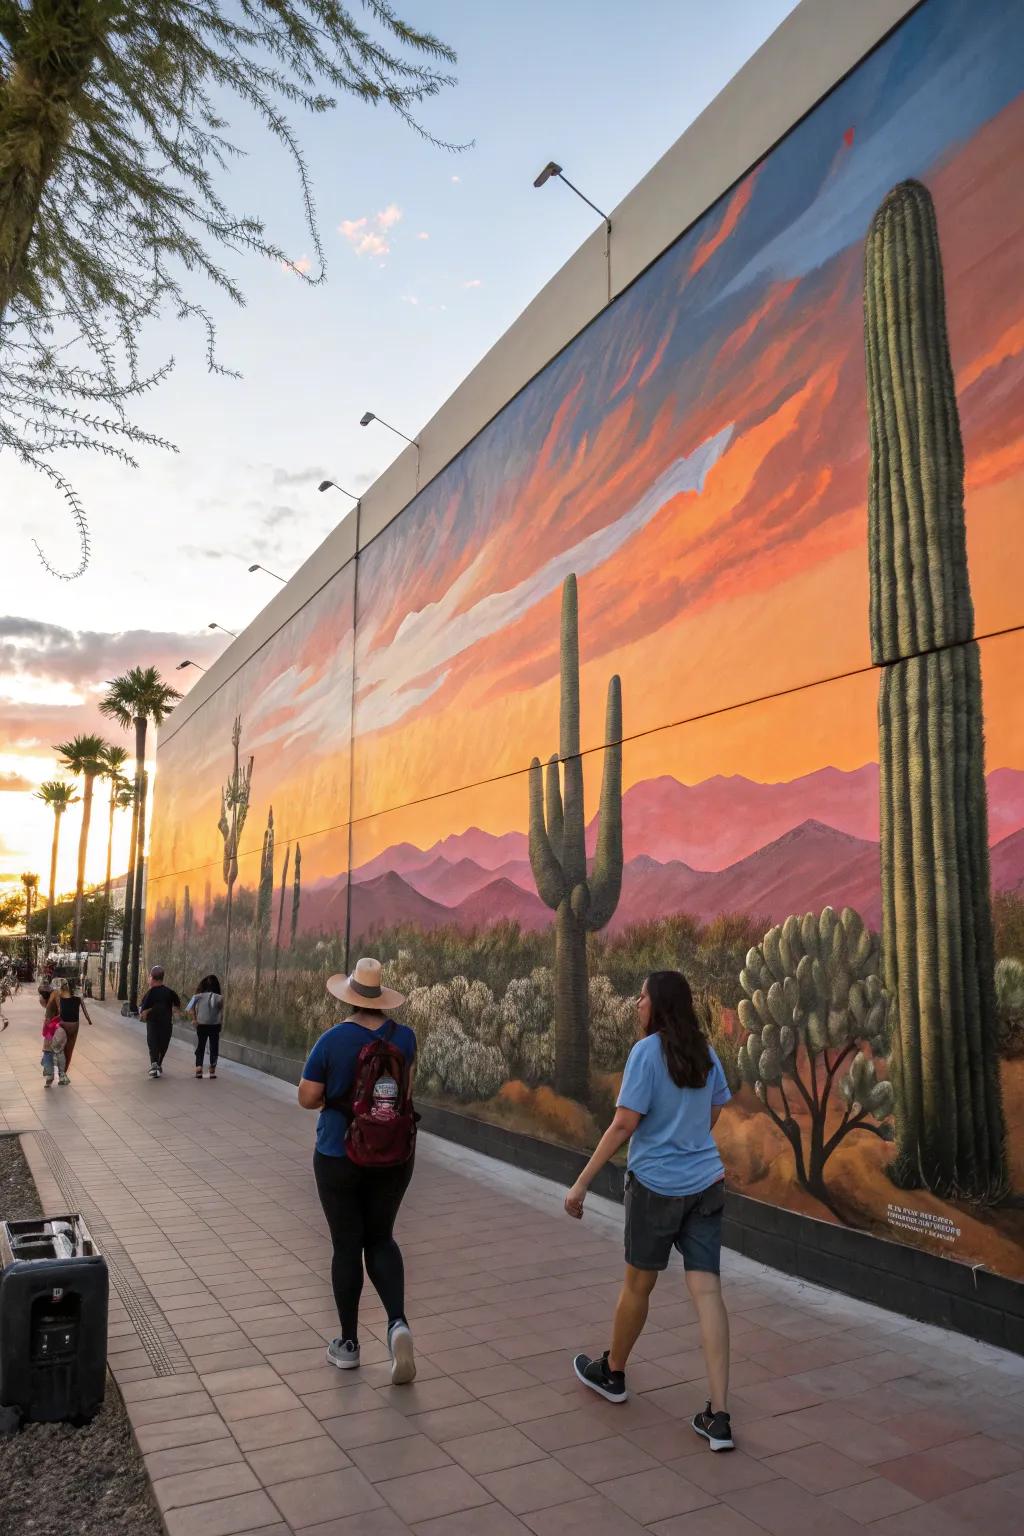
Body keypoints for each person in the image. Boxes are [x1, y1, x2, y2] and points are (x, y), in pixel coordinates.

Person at [565, 970, 735, 1452]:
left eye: (641, 997)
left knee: (638, 1286)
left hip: (655, 1188)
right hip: (706, 1186)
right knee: (708, 1294)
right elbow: (714, 1110)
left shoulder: (645, 1053)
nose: (636, 1003)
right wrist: (688, 1140)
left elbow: (623, 1124)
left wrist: (580, 1183)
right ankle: (719, 1417)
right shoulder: (705, 1053)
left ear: (657, 1004)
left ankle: (613, 1373)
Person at [297, 957, 418, 1386]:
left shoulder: (332, 1040)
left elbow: (306, 1097)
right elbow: (405, 1093)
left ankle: (348, 1345)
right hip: (394, 1156)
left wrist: (336, 1100)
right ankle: (398, 1324)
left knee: (347, 1245)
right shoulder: (405, 1037)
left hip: (338, 1153)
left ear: (349, 996)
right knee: (381, 1238)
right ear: (381, 997)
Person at [139, 965, 181, 1079]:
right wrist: (174, 1011)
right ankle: (157, 1065)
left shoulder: (150, 993)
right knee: (163, 1045)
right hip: (166, 1024)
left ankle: (155, 1065)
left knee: (153, 1043)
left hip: (153, 1023)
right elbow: (177, 1004)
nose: (148, 979)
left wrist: (146, 1012)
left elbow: (142, 1010)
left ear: (152, 978)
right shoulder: (170, 992)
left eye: (149, 976)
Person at [186, 974, 224, 1079]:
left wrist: (194, 1018)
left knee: (200, 1046)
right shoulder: (219, 998)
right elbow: (221, 1012)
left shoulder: (198, 996)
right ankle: (212, 1069)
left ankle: (199, 1068)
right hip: (215, 1025)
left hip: (201, 1024)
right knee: (214, 1047)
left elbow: (189, 1007)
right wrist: (221, 1023)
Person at [55, 978, 93, 1078]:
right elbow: (85, 1011)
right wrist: (89, 1021)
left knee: (61, 1048)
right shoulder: (78, 998)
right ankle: (63, 1073)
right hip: (74, 1025)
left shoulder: (60, 996)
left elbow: (59, 1010)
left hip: (63, 1024)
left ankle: (60, 1067)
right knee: (69, 1050)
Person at [42, 1011, 69, 1087]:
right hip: (48, 1047)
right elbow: (44, 1033)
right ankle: (50, 1076)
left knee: (58, 1060)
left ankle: (59, 1076)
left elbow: (57, 1036)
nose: (45, 1020)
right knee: (48, 1062)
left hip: (54, 1047)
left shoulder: (57, 1026)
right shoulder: (48, 1025)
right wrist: (46, 1025)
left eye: (47, 1018)